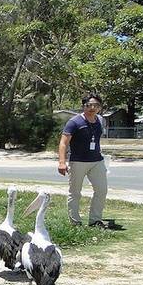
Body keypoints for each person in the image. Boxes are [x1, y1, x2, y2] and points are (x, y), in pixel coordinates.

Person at [58, 93, 109, 228]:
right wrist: (62, 162)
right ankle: (75, 223)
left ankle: (95, 220)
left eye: (96, 105)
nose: (92, 108)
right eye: (89, 105)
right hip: (78, 162)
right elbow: (63, 143)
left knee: (102, 190)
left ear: (100, 107)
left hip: (97, 161)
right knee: (75, 193)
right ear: (83, 106)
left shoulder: (100, 120)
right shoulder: (74, 122)